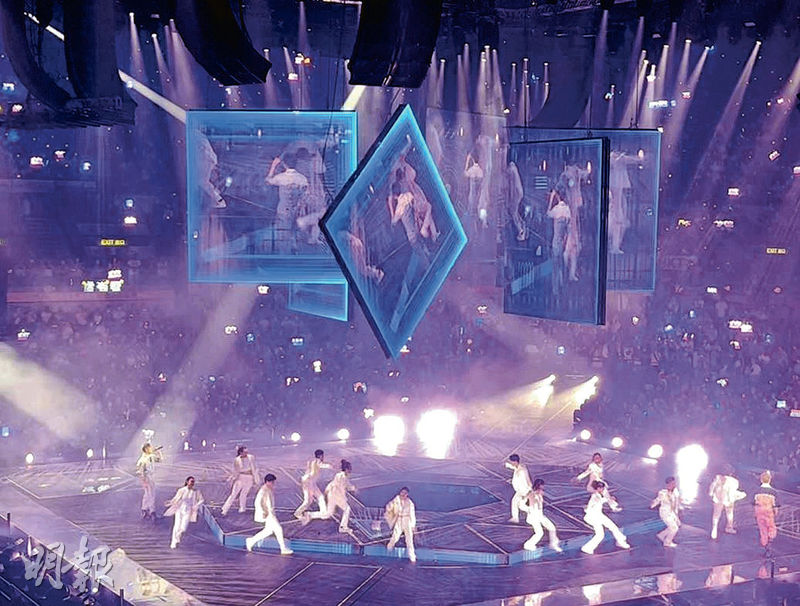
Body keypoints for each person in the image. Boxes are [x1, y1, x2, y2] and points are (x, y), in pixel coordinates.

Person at [265, 153, 309, 253]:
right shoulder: (302, 178)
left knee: (283, 234)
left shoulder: (280, 178)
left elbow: (267, 181)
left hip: (283, 211)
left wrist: (273, 165)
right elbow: (306, 195)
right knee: (295, 234)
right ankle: (295, 254)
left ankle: (284, 254)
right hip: (297, 211)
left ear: (284, 164)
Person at [303, 459, 356, 533]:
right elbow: (342, 489)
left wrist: (326, 493)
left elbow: (335, 485)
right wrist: (346, 497)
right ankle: (343, 527)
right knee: (347, 508)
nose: (351, 470)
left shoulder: (339, 476)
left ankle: (310, 514)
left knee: (328, 514)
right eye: (350, 468)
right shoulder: (343, 477)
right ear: (346, 469)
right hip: (337, 497)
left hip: (332, 496)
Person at [245, 474, 293, 555]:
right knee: (278, 529)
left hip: (270, 513)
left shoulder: (267, 489)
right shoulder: (264, 490)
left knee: (268, 531)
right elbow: (259, 502)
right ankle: (283, 548)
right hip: (268, 514)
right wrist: (265, 511)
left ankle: (251, 541)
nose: (273, 484)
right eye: (272, 482)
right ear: (267, 481)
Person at [581, 481, 630, 555]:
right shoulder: (595, 496)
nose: (603, 489)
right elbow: (599, 501)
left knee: (613, 527)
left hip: (599, 515)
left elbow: (605, 499)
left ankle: (621, 542)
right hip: (593, 517)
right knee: (600, 534)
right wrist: (608, 499)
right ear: (598, 488)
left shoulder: (600, 494)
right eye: (602, 488)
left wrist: (611, 501)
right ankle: (587, 548)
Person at [520, 479, 562, 552]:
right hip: (533, 516)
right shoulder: (531, 494)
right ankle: (528, 544)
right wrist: (528, 509)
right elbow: (521, 504)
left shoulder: (540, 493)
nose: (542, 488)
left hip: (540, 515)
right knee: (539, 533)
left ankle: (553, 544)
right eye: (541, 487)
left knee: (552, 528)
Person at [164, 476, 204, 549]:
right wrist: (170, 502)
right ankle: (174, 542)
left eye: (193, 482)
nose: (192, 483)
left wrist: (196, 505)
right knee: (177, 525)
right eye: (191, 481)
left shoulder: (196, 491)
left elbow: (201, 500)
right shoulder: (181, 490)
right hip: (179, 509)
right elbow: (176, 499)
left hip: (188, 510)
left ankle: (178, 537)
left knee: (183, 528)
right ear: (187, 482)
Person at [709, 464, 746, 539]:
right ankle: (729, 527)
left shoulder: (717, 478)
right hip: (728, 499)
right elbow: (732, 492)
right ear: (731, 473)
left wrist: (711, 493)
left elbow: (712, 486)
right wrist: (732, 499)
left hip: (718, 498)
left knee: (716, 514)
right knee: (729, 513)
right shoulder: (734, 481)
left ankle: (714, 530)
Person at [294, 449, 333, 519]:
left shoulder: (311, 461)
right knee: (308, 501)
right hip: (308, 482)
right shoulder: (317, 462)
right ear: (320, 456)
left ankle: (323, 512)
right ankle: (298, 513)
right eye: (322, 456)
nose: (323, 457)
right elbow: (321, 465)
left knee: (320, 497)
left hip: (310, 482)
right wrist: (330, 466)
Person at [221, 445, 258, 515]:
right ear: (241, 452)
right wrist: (232, 478)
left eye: (246, 452)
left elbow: (254, 468)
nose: (246, 453)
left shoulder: (251, 457)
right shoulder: (237, 460)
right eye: (244, 452)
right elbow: (235, 471)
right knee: (234, 494)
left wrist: (256, 479)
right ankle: (225, 509)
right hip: (241, 478)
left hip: (249, 478)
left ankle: (242, 508)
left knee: (244, 493)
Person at [386, 486, 417, 563]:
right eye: (402, 492)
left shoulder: (410, 503)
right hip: (399, 519)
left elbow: (412, 514)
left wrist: (413, 525)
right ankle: (388, 549)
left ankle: (412, 557)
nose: (403, 494)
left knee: (409, 540)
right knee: (395, 536)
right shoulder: (396, 500)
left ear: (407, 494)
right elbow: (389, 508)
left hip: (407, 520)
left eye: (405, 493)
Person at [650, 476, 681, 547]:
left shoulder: (676, 492)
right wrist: (652, 504)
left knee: (675, 526)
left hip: (672, 513)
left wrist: (677, 515)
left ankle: (661, 535)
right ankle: (667, 542)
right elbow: (657, 500)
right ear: (667, 484)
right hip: (665, 513)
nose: (673, 485)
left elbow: (676, 503)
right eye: (671, 484)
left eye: (674, 483)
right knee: (674, 528)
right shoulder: (662, 493)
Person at [136, 443, 162, 520]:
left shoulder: (145, 457)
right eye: (150, 448)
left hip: (146, 477)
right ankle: (152, 511)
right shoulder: (147, 457)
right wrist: (143, 479)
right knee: (151, 494)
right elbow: (141, 470)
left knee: (147, 494)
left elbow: (159, 460)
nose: (151, 448)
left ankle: (144, 510)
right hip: (148, 477)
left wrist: (158, 452)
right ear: (146, 449)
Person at [753, 471, 778, 552]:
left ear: (761, 480)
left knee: (762, 528)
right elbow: (775, 504)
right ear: (770, 480)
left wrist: (755, 513)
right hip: (769, 511)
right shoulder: (773, 492)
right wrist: (775, 512)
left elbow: (754, 503)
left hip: (759, 511)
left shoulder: (757, 491)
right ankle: (770, 539)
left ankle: (764, 542)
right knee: (771, 526)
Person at [504, 453, 533, 523]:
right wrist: (507, 465)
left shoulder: (522, 471)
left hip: (524, 491)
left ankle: (531, 511)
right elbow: (513, 468)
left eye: (511, 462)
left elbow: (528, 481)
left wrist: (529, 492)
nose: (510, 463)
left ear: (515, 462)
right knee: (515, 502)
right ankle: (515, 518)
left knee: (520, 505)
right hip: (520, 491)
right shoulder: (518, 467)